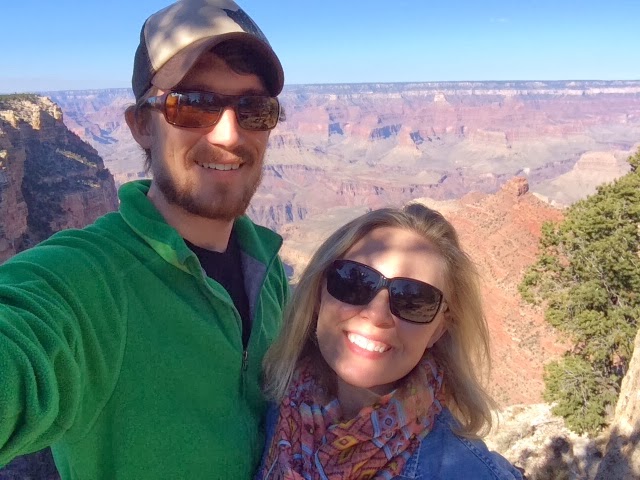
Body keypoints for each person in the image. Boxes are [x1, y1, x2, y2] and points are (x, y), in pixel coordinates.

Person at [0, 0, 289, 478]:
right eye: (193, 104)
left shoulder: (268, 268)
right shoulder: (88, 283)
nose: (228, 134)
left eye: (254, 109)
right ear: (141, 126)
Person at [256, 204, 524, 479]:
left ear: (438, 329)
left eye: (413, 299)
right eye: (354, 281)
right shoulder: (268, 411)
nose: (376, 315)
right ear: (319, 294)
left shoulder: (472, 473)